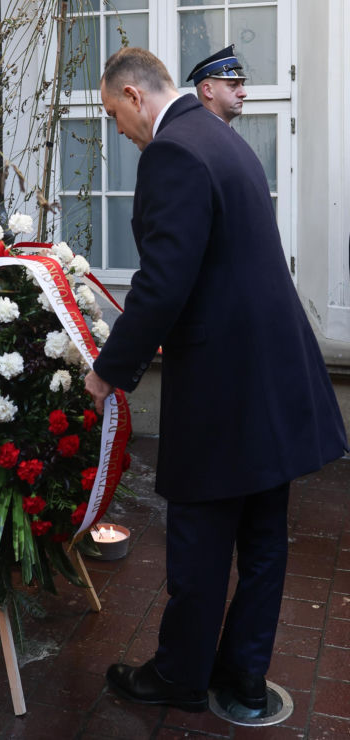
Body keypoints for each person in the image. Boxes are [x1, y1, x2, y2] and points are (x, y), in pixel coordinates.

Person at [84, 46, 348, 714]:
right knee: (262, 538)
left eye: (114, 113)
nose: (118, 129)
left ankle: (180, 676)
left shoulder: (172, 151)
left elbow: (163, 283)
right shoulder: (221, 137)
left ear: (135, 95)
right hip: (272, 376)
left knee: (200, 538)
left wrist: (109, 371)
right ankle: (243, 675)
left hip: (223, 385)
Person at [187, 44, 247, 124]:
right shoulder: (194, 130)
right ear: (208, 90)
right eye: (233, 85)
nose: (243, 93)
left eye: (242, 84)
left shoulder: (202, 128)